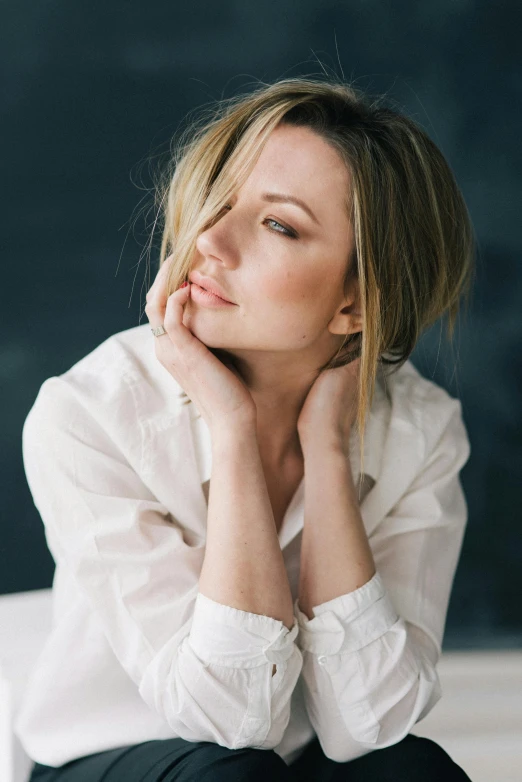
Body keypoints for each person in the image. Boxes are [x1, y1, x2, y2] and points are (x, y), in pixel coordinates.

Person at [18, 76, 474, 780]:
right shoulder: (89, 413)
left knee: (412, 771)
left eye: (278, 225)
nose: (210, 240)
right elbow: (228, 719)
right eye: (218, 202)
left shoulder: (421, 431)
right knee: (228, 777)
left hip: (299, 756)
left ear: (356, 303)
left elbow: (370, 723)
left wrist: (326, 450)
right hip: (120, 752)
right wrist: (231, 427)